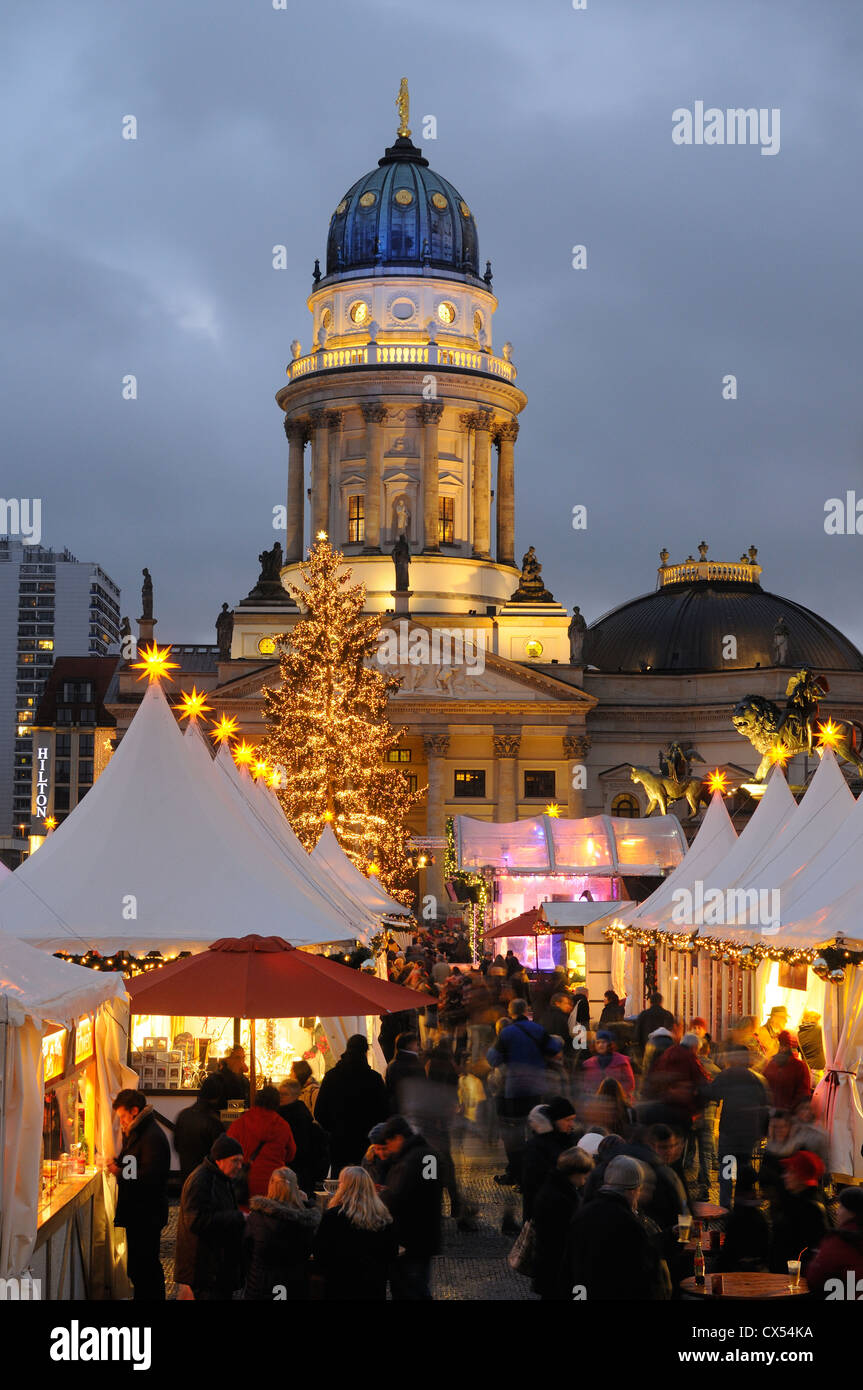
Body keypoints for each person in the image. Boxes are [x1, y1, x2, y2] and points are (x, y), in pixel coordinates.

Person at [568, 1155, 670, 1300]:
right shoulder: (629, 1223)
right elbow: (642, 1273)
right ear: (632, 1190)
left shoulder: (582, 1214)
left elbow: (569, 1267)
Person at [486, 999, 563, 1185]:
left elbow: (493, 1058)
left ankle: (517, 1173)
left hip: (514, 1090)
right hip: (537, 1087)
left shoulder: (507, 1033)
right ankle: (536, 1172)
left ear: (511, 1012)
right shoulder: (538, 1029)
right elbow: (554, 1048)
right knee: (536, 1129)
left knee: (515, 1133)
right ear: (526, 1011)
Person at [109, 1089, 170, 1301]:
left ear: (134, 1112)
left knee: (145, 1266)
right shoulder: (138, 1132)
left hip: (146, 1213)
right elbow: (134, 1166)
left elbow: (149, 1177)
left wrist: (119, 1172)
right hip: (139, 1212)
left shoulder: (150, 1136)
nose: (122, 1123)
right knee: (138, 1266)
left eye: (123, 1117)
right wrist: (118, 1164)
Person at [378, 1115, 443, 1300]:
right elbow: (429, 1189)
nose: (388, 1148)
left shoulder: (411, 1160)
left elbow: (399, 1196)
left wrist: (381, 1199)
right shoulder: (425, 1154)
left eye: (388, 1143)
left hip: (411, 1238)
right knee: (415, 1285)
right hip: (423, 1234)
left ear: (398, 1138)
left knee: (411, 1288)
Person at [174, 1134, 246, 1300]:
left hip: (214, 1268)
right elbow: (196, 1220)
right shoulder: (201, 1181)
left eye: (240, 1161)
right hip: (204, 1270)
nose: (239, 1166)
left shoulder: (220, 1177)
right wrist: (237, 1217)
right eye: (235, 1160)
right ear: (219, 1159)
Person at [313, 1166, 399, 1301]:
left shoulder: (333, 1216)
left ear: (344, 1187)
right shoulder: (383, 1218)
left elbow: (321, 1253)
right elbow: (391, 1254)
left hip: (340, 1286)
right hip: (373, 1287)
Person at [241, 1166, 321, 1300]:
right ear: (296, 1188)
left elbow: (246, 1249)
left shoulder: (257, 1216)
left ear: (271, 1185)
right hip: (294, 1285)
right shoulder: (306, 1221)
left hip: (261, 1285)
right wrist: (307, 1204)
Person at [315, 1034, 389, 1174]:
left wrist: (334, 1129)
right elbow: (384, 1112)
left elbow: (319, 1112)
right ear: (365, 1052)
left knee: (340, 1183)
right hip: (365, 1143)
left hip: (339, 1143)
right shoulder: (374, 1079)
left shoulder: (331, 1077)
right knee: (365, 1182)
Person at [710, 1048, 770, 1208]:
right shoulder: (758, 1079)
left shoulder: (728, 1075)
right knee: (744, 1169)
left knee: (727, 1170)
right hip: (749, 1134)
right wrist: (762, 1131)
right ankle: (741, 1204)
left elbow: (711, 1093)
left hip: (730, 1131)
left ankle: (725, 1206)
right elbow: (766, 1106)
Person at [531, 1148, 594, 1301]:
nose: (585, 1180)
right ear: (576, 1173)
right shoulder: (563, 1198)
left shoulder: (553, 1187)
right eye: (585, 1175)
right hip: (558, 1268)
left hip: (549, 1265)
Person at [228, 1085, 297, 1202]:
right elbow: (291, 1154)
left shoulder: (240, 1123)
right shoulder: (283, 1125)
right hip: (275, 1182)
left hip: (246, 1180)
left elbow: (228, 1150)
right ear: (277, 1103)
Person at [768, 1151, 828, 1275]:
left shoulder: (811, 1209)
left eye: (791, 1172)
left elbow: (812, 1251)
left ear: (802, 1177)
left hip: (793, 1281)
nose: (785, 1176)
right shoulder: (794, 1201)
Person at [520, 1098, 579, 1221]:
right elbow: (533, 1186)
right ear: (554, 1121)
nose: (571, 1124)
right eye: (567, 1120)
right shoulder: (536, 1146)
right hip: (543, 1213)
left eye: (573, 1119)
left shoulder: (568, 1140)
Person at [805, 1186, 863, 1299]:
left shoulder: (839, 1242)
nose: (837, 1211)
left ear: (852, 1212)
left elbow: (814, 1278)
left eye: (841, 1207)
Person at [278, 1079, 330, 1196]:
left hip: (300, 1169)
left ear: (295, 1096)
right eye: (279, 1094)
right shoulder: (281, 1115)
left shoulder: (299, 1118)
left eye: (285, 1094)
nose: (281, 1097)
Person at [715, 1165, 770, 1273]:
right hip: (757, 1267)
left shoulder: (736, 1217)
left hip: (737, 1268)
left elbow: (728, 1251)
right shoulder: (760, 1217)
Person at [173, 1076, 225, 1187]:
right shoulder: (213, 1121)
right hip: (208, 1179)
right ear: (217, 1097)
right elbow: (220, 1153)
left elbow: (176, 1145)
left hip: (186, 1175)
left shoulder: (183, 1115)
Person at [580, 1031, 635, 1103]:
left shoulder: (622, 1061)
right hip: (597, 1103)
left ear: (609, 1044)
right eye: (598, 1042)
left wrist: (617, 1094)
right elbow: (586, 1086)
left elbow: (630, 1083)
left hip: (619, 1102)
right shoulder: (588, 1064)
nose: (600, 1045)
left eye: (603, 1042)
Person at [763, 1031, 811, 1111]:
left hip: (773, 1113)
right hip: (790, 1115)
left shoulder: (769, 1065)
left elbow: (764, 1090)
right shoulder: (799, 1066)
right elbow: (804, 1094)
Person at [385, 1032, 424, 1113]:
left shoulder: (392, 1064)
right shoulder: (415, 1064)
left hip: (395, 1108)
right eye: (416, 1044)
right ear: (409, 1046)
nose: (418, 1048)